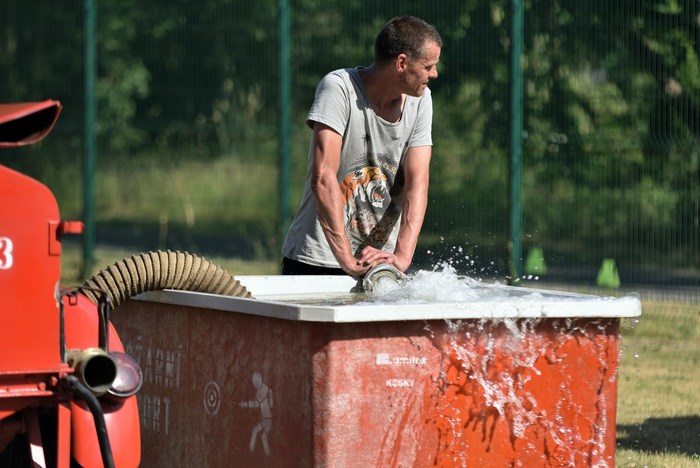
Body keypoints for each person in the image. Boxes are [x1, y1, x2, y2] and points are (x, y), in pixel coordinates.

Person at [282, 15, 442, 277]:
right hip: (317, 261)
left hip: (380, 266)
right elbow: (322, 179)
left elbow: (417, 185)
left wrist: (401, 258)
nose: (434, 74)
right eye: (428, 66)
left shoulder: (421, 100)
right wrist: (348, 261)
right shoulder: (338, 88)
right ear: (402, 63)